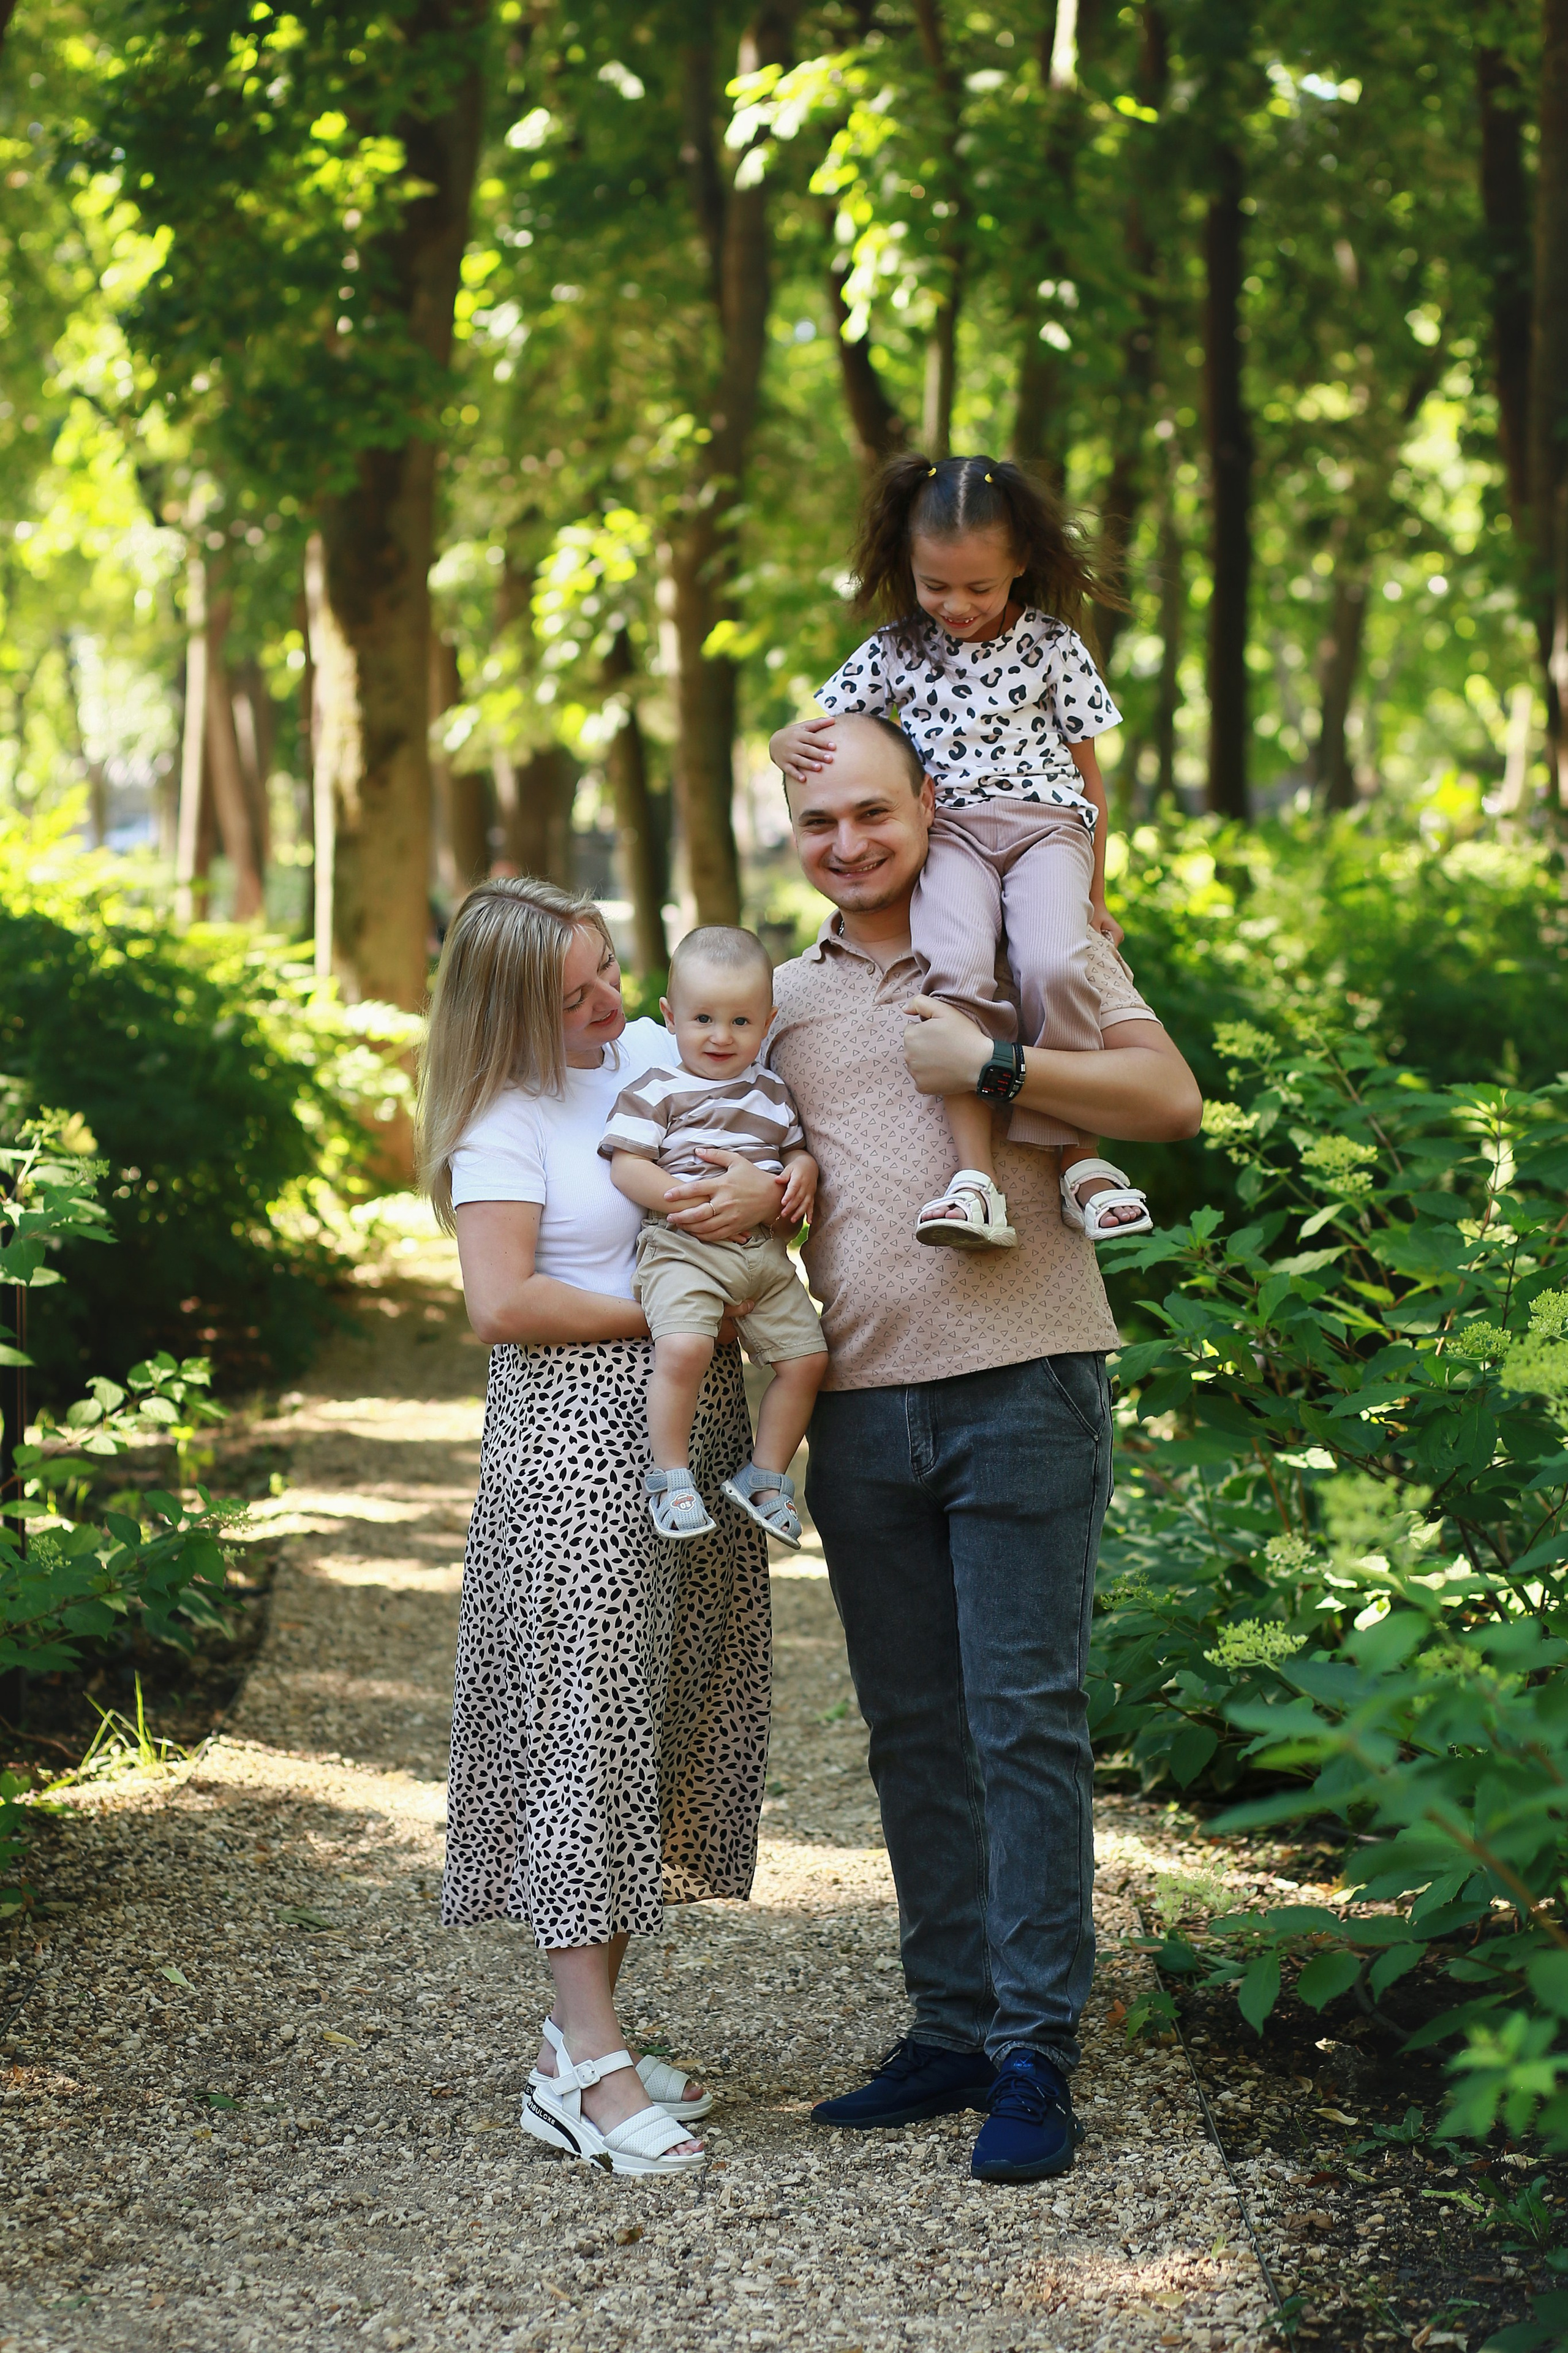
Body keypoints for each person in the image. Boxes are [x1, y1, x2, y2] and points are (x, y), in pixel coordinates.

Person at [764, 715, 1202, 2184]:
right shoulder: (777, 1004)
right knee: (911, 1730)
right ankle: (948, 2022)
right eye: (818, 820)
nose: (846, 843)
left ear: (927, 804)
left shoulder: (1033, 944)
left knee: (1023, 1724)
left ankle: (1034, 2050)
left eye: (870, 813)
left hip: (1024, 1383)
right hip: (864, 1409)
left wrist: (997, 1062)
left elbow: (1168, 1101)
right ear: (791, 827)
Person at [417, 877, 778, 2178]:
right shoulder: (499, 1121)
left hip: (693, 1439)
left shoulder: (646, 1055)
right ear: (508, 1007)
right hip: (572, 1454)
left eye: (611, 973)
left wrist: (768, 1195)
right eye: (573, 996)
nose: (609, 1006)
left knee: (660, 1722)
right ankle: (590, 2063)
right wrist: (678, 1313)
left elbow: (762, 1128)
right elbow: (501, 1304)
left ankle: (580, 2042)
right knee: (583, 1734)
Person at [771, 450, 1155, 1253]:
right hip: (950, 837)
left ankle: (1082, 1164)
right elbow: (821, 730)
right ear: (907, 567)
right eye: (934, 585)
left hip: (1047, 828)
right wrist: (781, 742)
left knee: (1055, 964)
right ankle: (973, 1178)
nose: (957, 605)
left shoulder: (1054, 645)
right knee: (953, 969)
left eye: (979, 587)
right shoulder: (894, 650)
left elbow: (1093, 782)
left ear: (1020, 564)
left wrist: (1097, 897)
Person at [600, 923, 828, 1551]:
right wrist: (690, 1202)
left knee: (807, 1361)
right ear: (671, 1016)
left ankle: (766, 1476)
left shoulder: (775, 1093)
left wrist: (803, 1169)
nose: (721, 1037)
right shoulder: (654, 1090)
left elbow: (795, 1153)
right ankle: (670, 1477)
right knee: (684, 1351)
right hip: (682, 1246)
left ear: (768, 1021)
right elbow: (627, 1165)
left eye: (741, 1021)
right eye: (703, 1018)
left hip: (761, 1255)